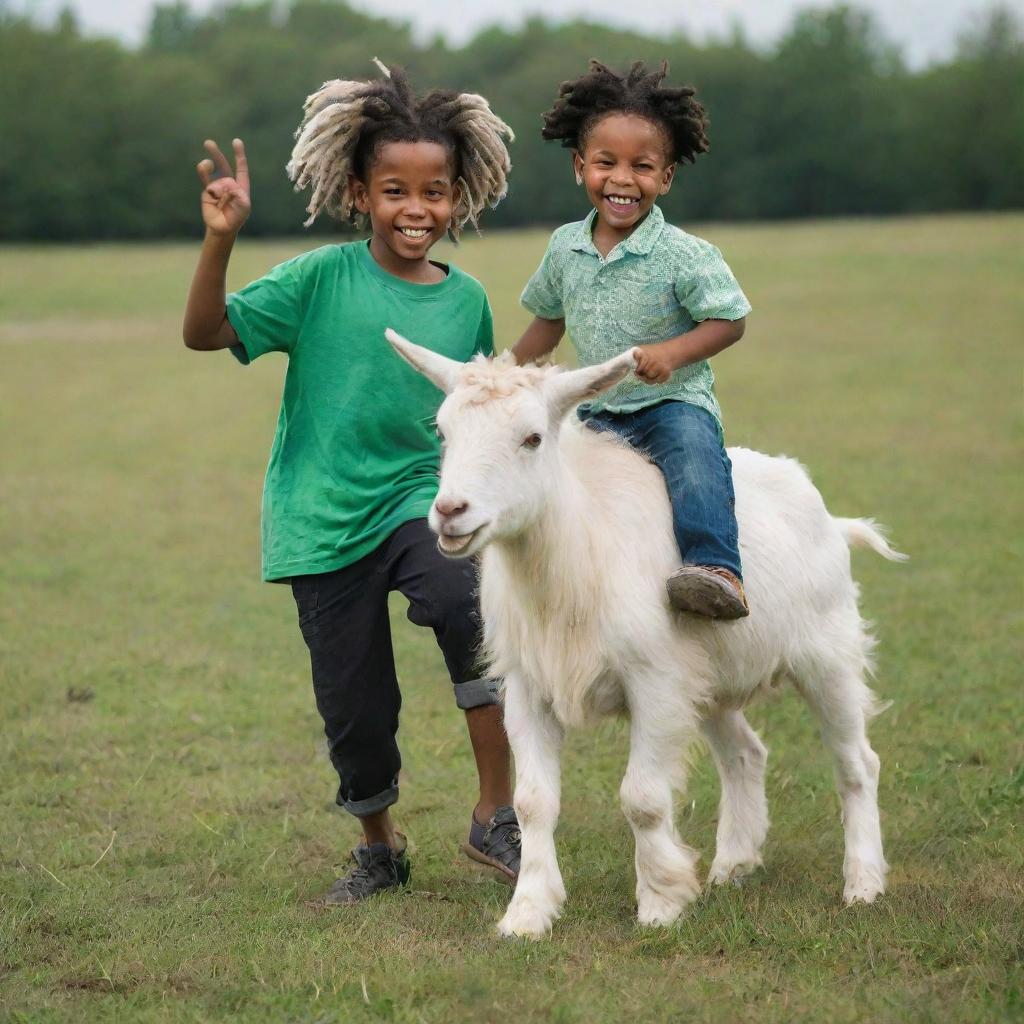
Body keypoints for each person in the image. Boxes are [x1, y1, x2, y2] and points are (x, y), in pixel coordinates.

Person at [182, 61, 521, 904]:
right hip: (321, 515)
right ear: (357, 192)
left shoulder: (468, 299)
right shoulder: (316, 280)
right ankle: (379, 848)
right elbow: (204, 333)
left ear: (461, 195)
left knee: (465, 604)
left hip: (419, 496)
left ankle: (496, 813)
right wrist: (220, 237)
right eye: (395, 190)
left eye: (435, 191)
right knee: (355, 704)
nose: (418, 210)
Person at [513, 59, 752, 619]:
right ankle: (585, 588)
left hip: (672, 404)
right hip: (599, 409)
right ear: (580, 167)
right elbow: (549, 320)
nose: (622, 179)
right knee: (563, 483)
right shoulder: (564, 247)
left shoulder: (685, 253)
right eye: (606, 163)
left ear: (665, 177)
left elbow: (730, 320)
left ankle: (716, 570)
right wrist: (509, 373)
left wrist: (672, 355)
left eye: (641, 167)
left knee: (695, 464)